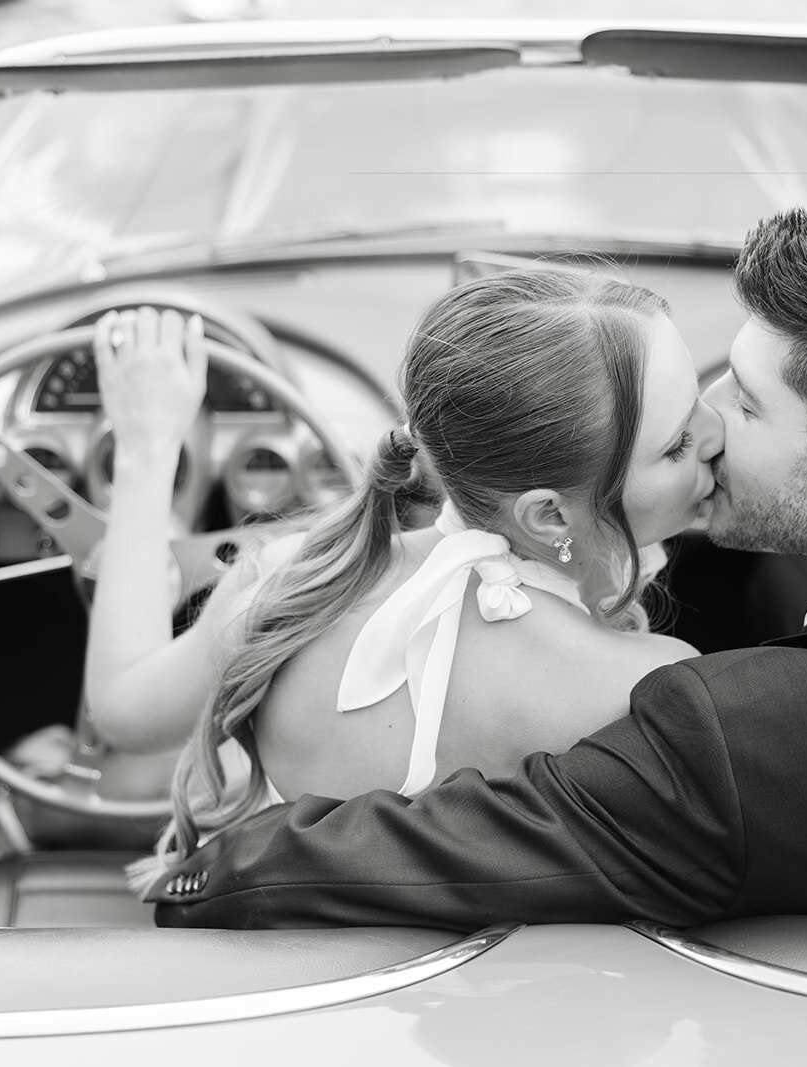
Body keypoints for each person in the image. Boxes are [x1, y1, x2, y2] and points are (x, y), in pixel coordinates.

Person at [148, 208, 807, 929]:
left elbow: (423, 841)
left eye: (745, 401)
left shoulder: (741, 740)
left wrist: (207, 872)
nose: (710, 427)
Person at [81, 271, 723, 886]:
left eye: (702, 405)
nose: (716, 435)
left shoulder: (288, 585)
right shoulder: (649, 687)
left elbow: (121, 712)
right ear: (548, 514)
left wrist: (145, 450)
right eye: (676, 445)